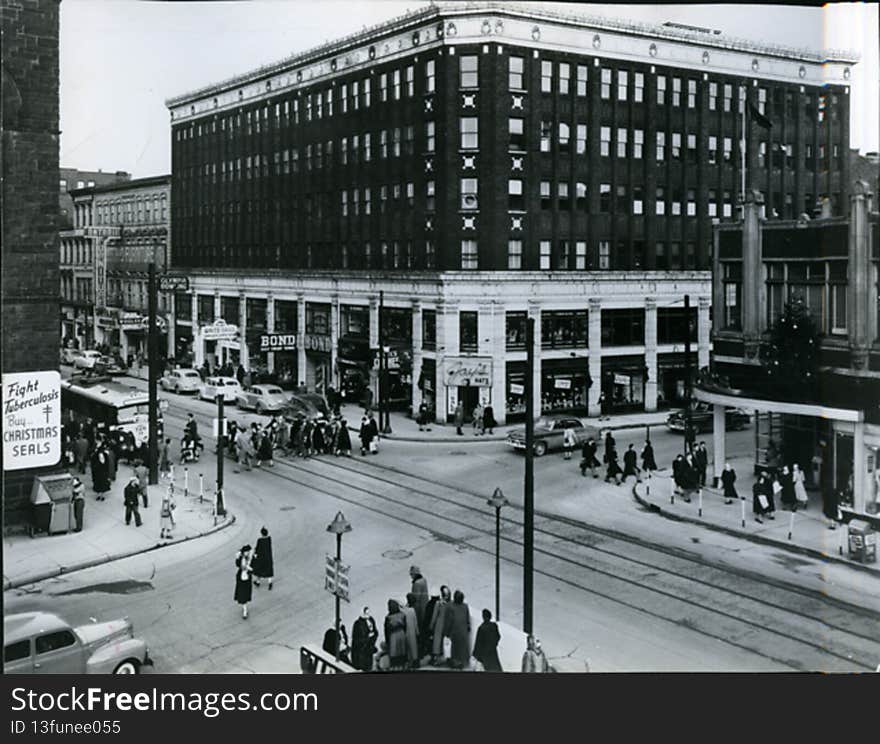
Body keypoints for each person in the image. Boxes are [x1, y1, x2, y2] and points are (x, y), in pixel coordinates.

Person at [446, 589, 471, 670]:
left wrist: (447, 632)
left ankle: (456, 662)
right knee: (463, 648)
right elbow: (467, 618)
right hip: (463, 631)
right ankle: (462, 662)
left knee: (455, 648)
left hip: (455, 631)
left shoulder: (451, 607)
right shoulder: (465, 606)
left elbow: (449, 620)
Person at [429, 585, 452, 665]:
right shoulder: (451, 604)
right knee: (446, 643)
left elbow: (434, 616)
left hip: (439, 625)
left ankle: (436, 660)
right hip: (448, 624)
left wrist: (431, 626)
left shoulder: (438, 603)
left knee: (437, 643)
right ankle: (448, 659)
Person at [351, 607, 379, 672]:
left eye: (368, 613)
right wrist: (367, 637)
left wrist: (373, 638)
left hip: (369, 649)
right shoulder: (357, 624)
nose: (368, 614)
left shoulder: (371, 620)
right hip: (361, 652)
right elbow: (356, 640)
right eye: (366, 613)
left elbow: (376, 631)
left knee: (369, 667)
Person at [384, 599, 408, 671]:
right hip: (401, 634)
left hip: (393, 635)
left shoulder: (388, 618)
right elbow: (405, 626)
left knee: (394, 652)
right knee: (402, 650)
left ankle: (395, 668)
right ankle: (403, 666)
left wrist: (387, 640)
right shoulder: (402, 615)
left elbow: (386, 630)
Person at [234, 545, 253, 620]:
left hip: (246, 578)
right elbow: (241, 566)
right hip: (242, 578)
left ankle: (245, 609)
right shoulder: (241, 559)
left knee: (244, 594)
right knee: (243, 595)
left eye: (248, 551)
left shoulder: (248, 558)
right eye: (246, 552)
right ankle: (245, 610)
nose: (248, 553)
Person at [402, 593, 420, 668]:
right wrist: (417, 632)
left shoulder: (402, 611)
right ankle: (415, 662)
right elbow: (415, 622)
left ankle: (409, 662)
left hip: (405, 632)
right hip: (412, 632)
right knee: (413, 648)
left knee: (407, 649)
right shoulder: (412, 610)